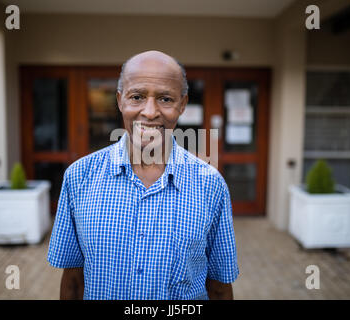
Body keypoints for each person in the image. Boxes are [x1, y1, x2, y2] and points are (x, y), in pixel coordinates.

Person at [47, 50, 239, 300]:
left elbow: (219, 287)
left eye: (166, 99)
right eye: (136, 97)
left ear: (182, 104)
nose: (149, 112)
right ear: (120, 101)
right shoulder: (79, 177)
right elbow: (73, 281)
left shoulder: (211, 186)